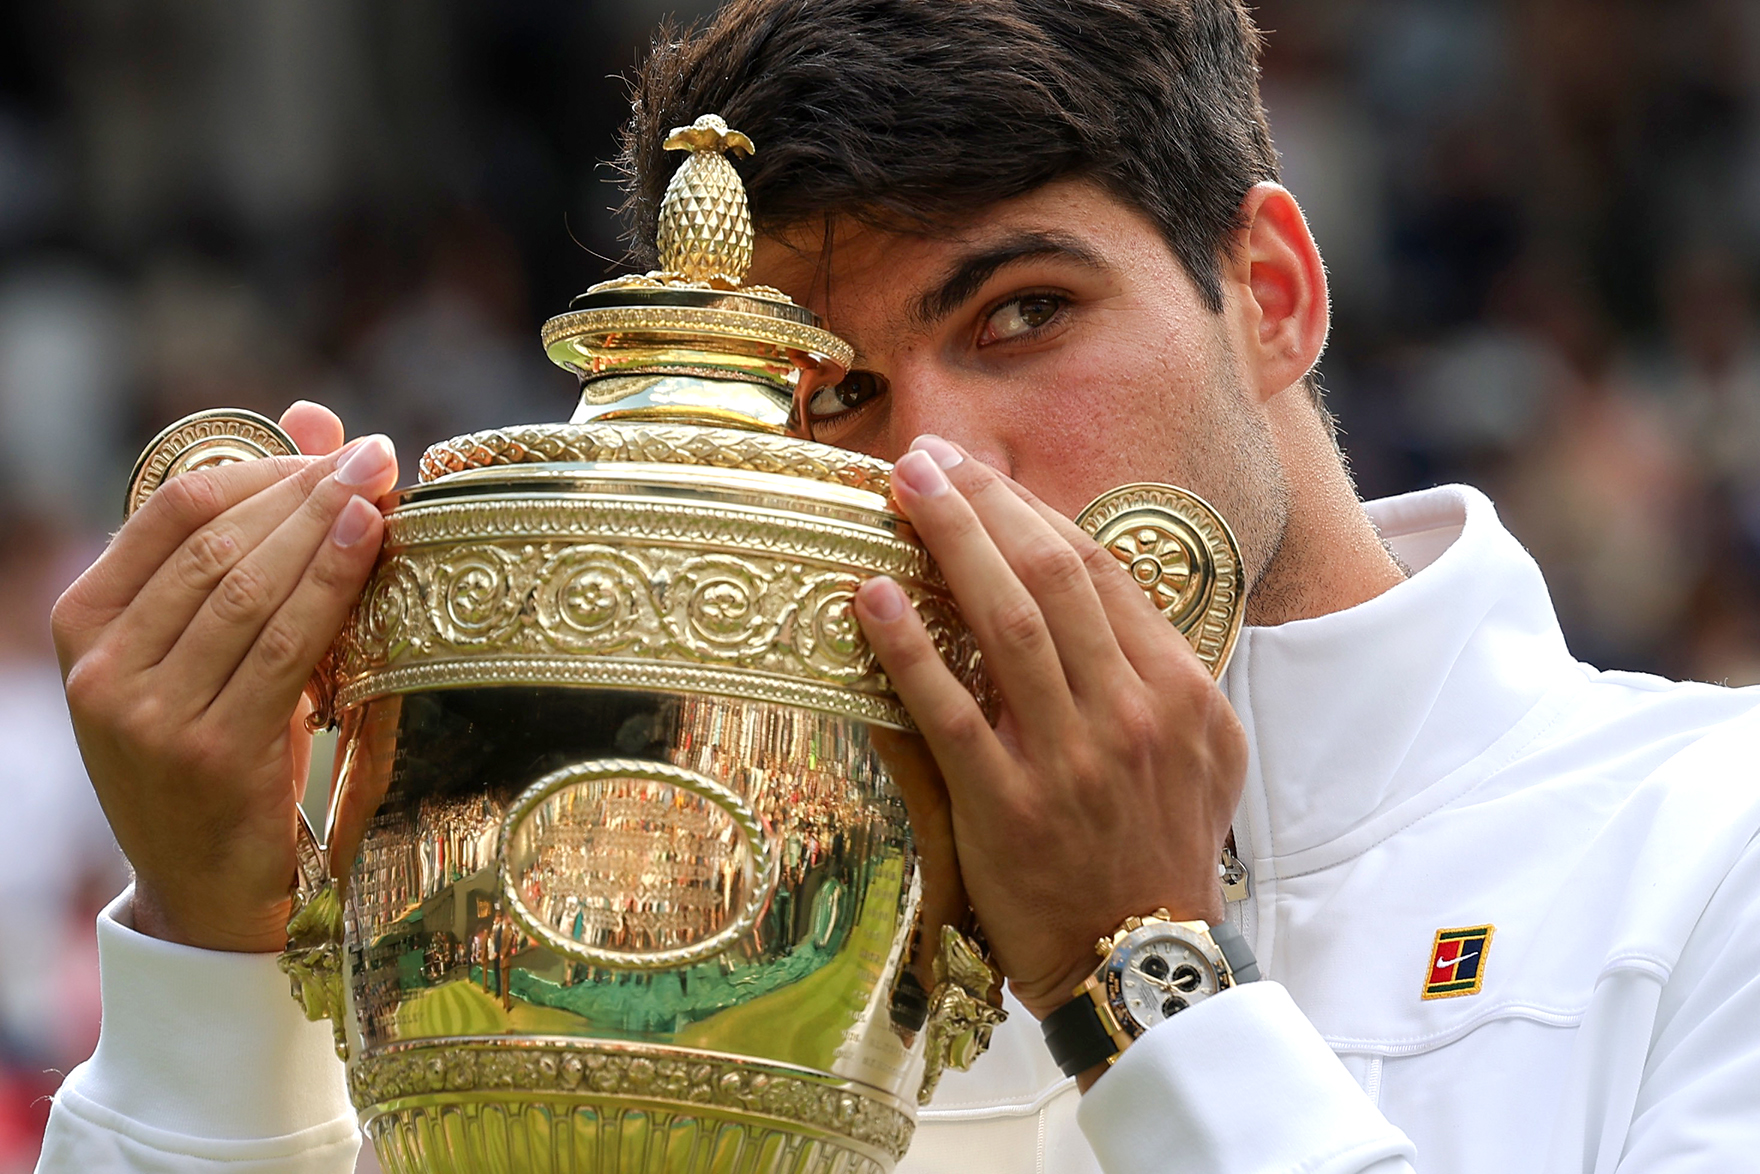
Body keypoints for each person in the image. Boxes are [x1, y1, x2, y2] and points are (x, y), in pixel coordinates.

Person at [39, 1, 1760, 1171]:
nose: (934, 472)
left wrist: (1142, 983)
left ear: (1277, 292)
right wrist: (215, 940)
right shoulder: (686, 913)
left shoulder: (1711, 834)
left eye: (1022, 314)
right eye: (837, 396)